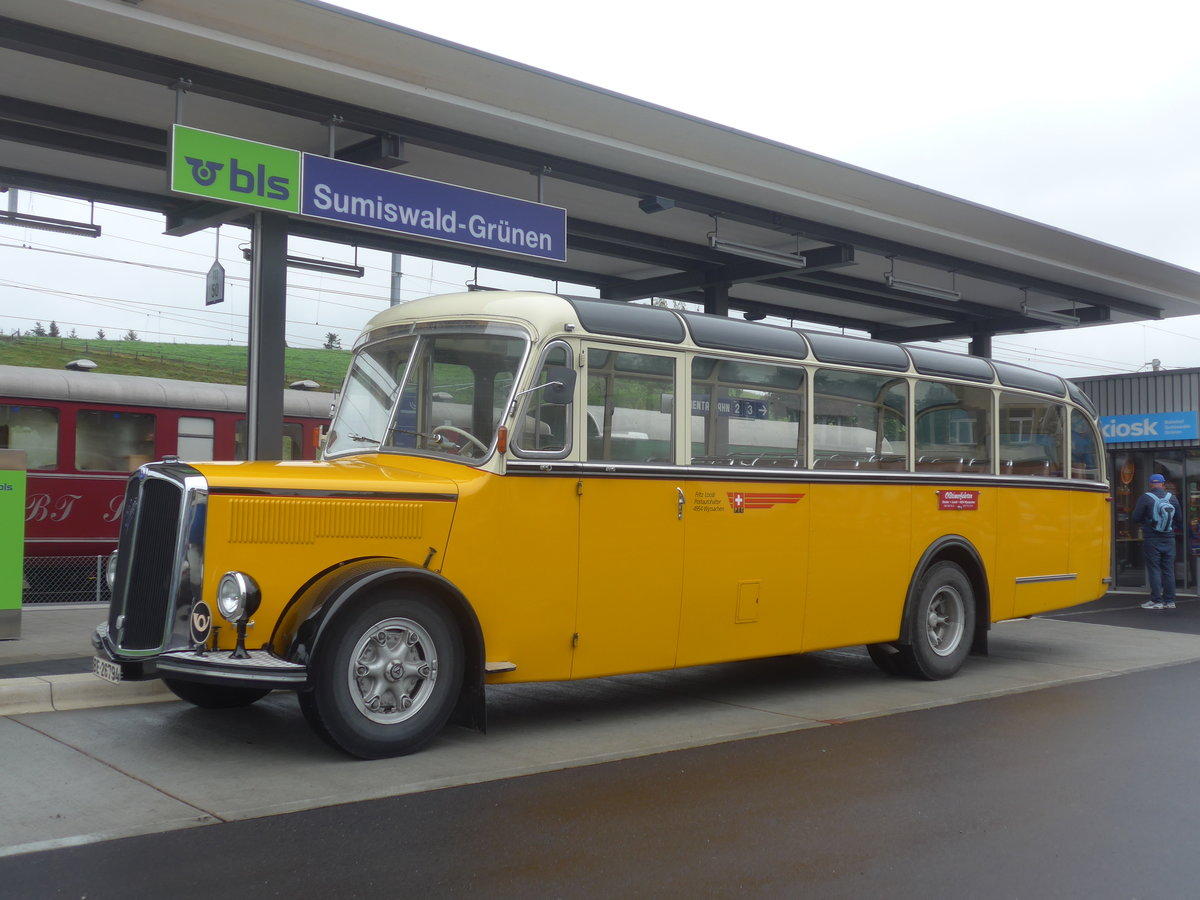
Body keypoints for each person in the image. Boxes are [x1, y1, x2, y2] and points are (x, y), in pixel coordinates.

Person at [1131, 473, 1183, 609]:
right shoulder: (1172, 498)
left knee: (1154, 569)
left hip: (1152, 538)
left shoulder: (1146, 498)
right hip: (1169, 538)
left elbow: (1135, 517)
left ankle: (1156, 601)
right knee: (1168, 570)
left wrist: (1147, 522)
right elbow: (1179, 518)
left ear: (1150, 484)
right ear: (1163, 484)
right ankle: (1170, 601)